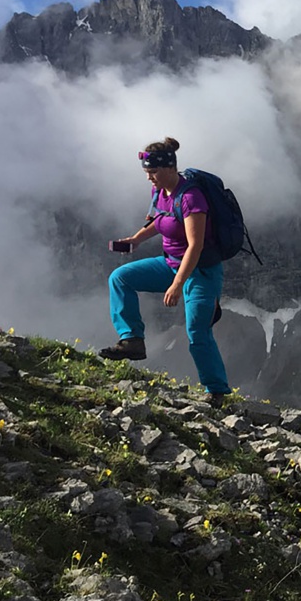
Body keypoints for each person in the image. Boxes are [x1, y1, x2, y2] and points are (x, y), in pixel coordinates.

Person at [99, 137, 232, 409]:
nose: (149, 177)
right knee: (120, 278)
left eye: (154, 172)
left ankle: (216, 392)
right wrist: (136, 239)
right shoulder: (160, 192)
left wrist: (177, 284)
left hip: (200, 272)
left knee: (197, 332)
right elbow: (160, 220)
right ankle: (132, 340)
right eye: (147, 172)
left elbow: (195, 246)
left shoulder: (192, 198)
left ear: (170, 168)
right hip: (170, 263)